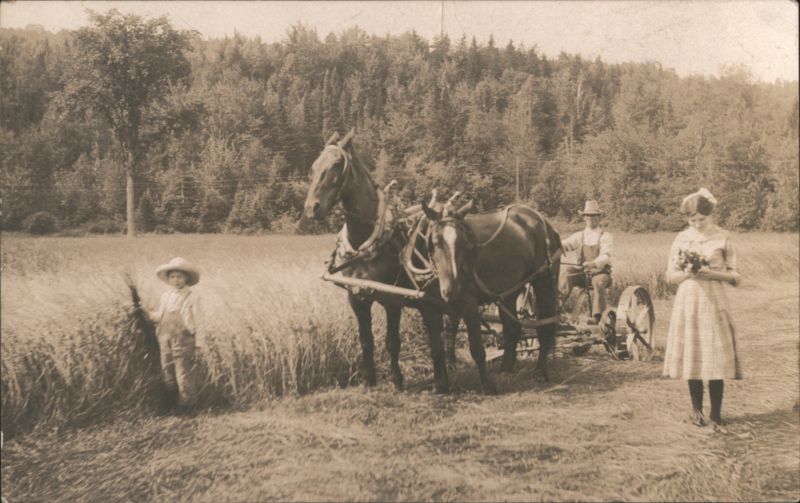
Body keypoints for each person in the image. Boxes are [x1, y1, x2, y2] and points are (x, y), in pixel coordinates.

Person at [663, 188, 742, 433]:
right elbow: (670, 276)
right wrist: (688, 273)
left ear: (711, 215)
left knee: (714, 356)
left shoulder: (723, 238)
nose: (697, 224)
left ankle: (716, 415)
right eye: (692, 220)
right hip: (688, 300)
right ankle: (696, 412)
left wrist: (712, 274)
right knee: (693, 356)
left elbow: (737, 277)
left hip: (714, 299)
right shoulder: (681, 238)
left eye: (701, 219)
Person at [150, 257, 206, 409]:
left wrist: (199, 345)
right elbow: (160, 316)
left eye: (179, 276)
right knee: (167, 371)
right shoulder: (166, 296)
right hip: (165, 339)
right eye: (172, 277)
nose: (176, 280)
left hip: (184, 341)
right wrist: (144, 313)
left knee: (183, 374)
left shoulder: (193, 297)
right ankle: (170, 405)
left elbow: (200, 323)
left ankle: (187, 408)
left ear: (186, 278)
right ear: (168, 279)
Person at [559, 200, 613, 322]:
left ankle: (597, 317)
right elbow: (565, 245)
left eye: (594, 216)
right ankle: (556, 307)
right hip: (582, 273)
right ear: (584, 218)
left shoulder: (606, 236)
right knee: (567, 273)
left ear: (599, 217)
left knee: (598, 283)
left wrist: (593, 263)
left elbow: (606, 256)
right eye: (588, 216)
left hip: (600, 273)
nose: (591, 219)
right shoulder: (579, 236)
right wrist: (552, 243)